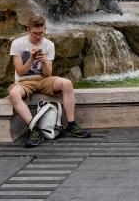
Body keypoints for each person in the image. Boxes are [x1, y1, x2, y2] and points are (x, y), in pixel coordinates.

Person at [8, 14, 90, 148]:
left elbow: (48, 74)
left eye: (41, 32)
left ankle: (71, 125)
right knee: (13, 94)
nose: (39, 36)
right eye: (35, 33)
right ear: (28, 30)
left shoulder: (49, 44)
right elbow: (20, 72)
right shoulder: (17, 44)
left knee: (67, 84)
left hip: (43, 79)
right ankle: (34, 131)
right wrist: (31, 59)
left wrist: (45, 61)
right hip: (24, 81)